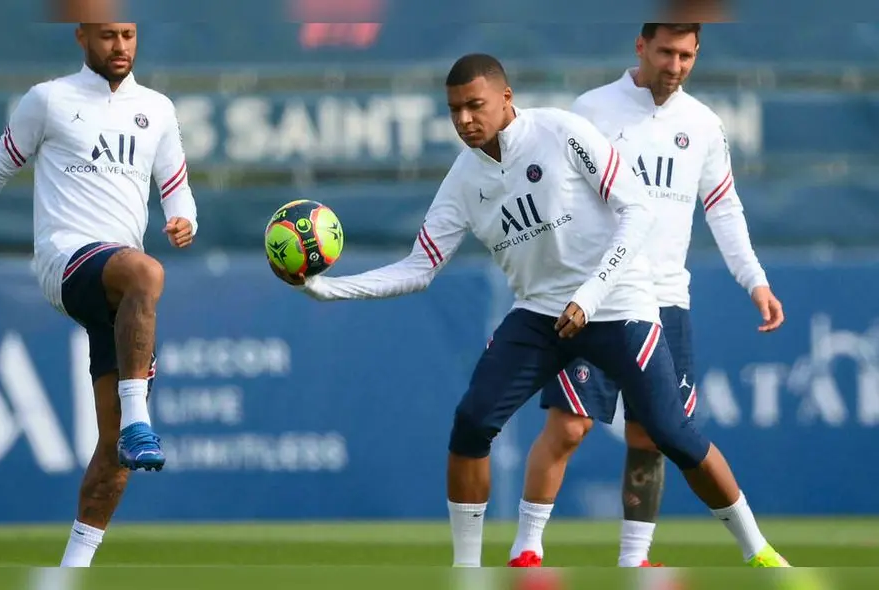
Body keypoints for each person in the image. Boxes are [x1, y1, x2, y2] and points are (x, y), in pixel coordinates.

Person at [270, 53, 789, 568]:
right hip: (541, 315)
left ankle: (758, 551)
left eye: (475, 106)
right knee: (472, 422)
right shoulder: (463, 180)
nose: (464, 120)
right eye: (454, 110)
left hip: (618, 304)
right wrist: (327, 290)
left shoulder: (562, 132)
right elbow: (419, 267)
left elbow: (638, 210)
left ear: (506, 98)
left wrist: (590, 295)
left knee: (670, 435)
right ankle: (467, 572)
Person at [507, 23, 786, 569]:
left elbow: (723, 208)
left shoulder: (703, 124)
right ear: (641, 46)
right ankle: (525, 550)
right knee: (568, 425)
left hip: (665, 301)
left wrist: (754, 279)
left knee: (652, 436)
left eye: (686, 55)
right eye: (665, 52)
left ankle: (635, 561)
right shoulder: (592, 110)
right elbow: (552, 199)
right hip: (597, 299)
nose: (675, 65)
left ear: (697, 54)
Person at [0, 23, 198, 567]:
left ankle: (69, 574)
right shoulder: (48, 100)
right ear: (81, 37)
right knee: (147, 273)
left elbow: (176, 185)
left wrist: (184, 217)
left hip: (116, 287)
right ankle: (141, 419)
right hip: (65, 259)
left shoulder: (157, 109)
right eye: (107, 37)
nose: (120, 47)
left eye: (128, 35)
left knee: (115, 456)